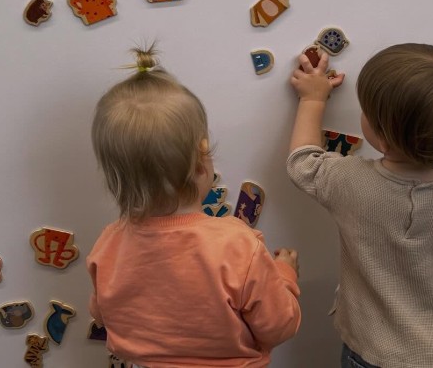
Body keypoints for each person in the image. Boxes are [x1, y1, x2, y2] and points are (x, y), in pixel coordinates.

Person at [287, 44, 433, 368]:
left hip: (373, 354)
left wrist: (312, 99)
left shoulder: (350, 180)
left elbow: (302, 162)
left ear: (383, 138)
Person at [87, 46, 301, 368]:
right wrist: (285, 274)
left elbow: (102, 313)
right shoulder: (238, 245)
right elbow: (279, 326)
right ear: (202, 161)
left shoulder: (109, 244)